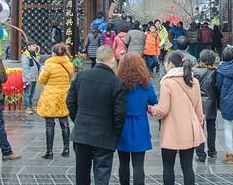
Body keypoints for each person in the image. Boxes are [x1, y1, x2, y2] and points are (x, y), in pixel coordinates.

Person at [67, 46, 126, 185]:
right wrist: (115, 132)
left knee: (82, 174)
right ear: (112, 61)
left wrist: (78, 120)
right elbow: (119, 114)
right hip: (105, 135)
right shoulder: (117, 83)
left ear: (98, 59)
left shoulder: (81, 76)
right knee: (102, 176)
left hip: (82, 133)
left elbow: (70, 102)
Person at [150, 51, 205, 185]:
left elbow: (163, 109)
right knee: (188, 168)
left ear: (170, 64)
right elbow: (199, 110)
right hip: (189, 130)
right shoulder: (194, 81)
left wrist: (151, 109)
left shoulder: (167, 82)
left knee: (168, 167)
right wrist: (199, 126)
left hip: (171, 130)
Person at [116, 53, 158, 185]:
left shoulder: (118, 84)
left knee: (123, 163)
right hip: (140, 125)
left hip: (122, 125)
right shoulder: (146, 84)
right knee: (138, 165)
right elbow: (154, 101)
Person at [37, 43, 74, 159]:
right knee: (64, 123)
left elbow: (42, 80)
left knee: (49, 124)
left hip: (51, 96)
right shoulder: (69, 65)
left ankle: (49, 151)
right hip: (64, 95)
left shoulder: (49, 65)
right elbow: (70, 77)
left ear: (53, 53)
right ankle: (66, 149)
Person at [194, 49, 218, 162]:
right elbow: (217, 88)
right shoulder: (215, 72)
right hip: (211, 102)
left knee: (199, 128)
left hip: (198, 103)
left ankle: (200, 154)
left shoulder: (194, 71)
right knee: (211, 127)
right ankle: (212, 151)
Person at [21, 42, 41, 115]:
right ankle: (27, 107)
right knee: (27, 93)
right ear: (28, 47)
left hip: (34, 77)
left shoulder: (34, 55)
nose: (34, 47)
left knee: (32, 93)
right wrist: (27, 79)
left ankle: (30, 105)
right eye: (33, 46)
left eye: (35, 46)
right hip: (29, 78)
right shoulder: (25, 56)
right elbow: (25, 69)